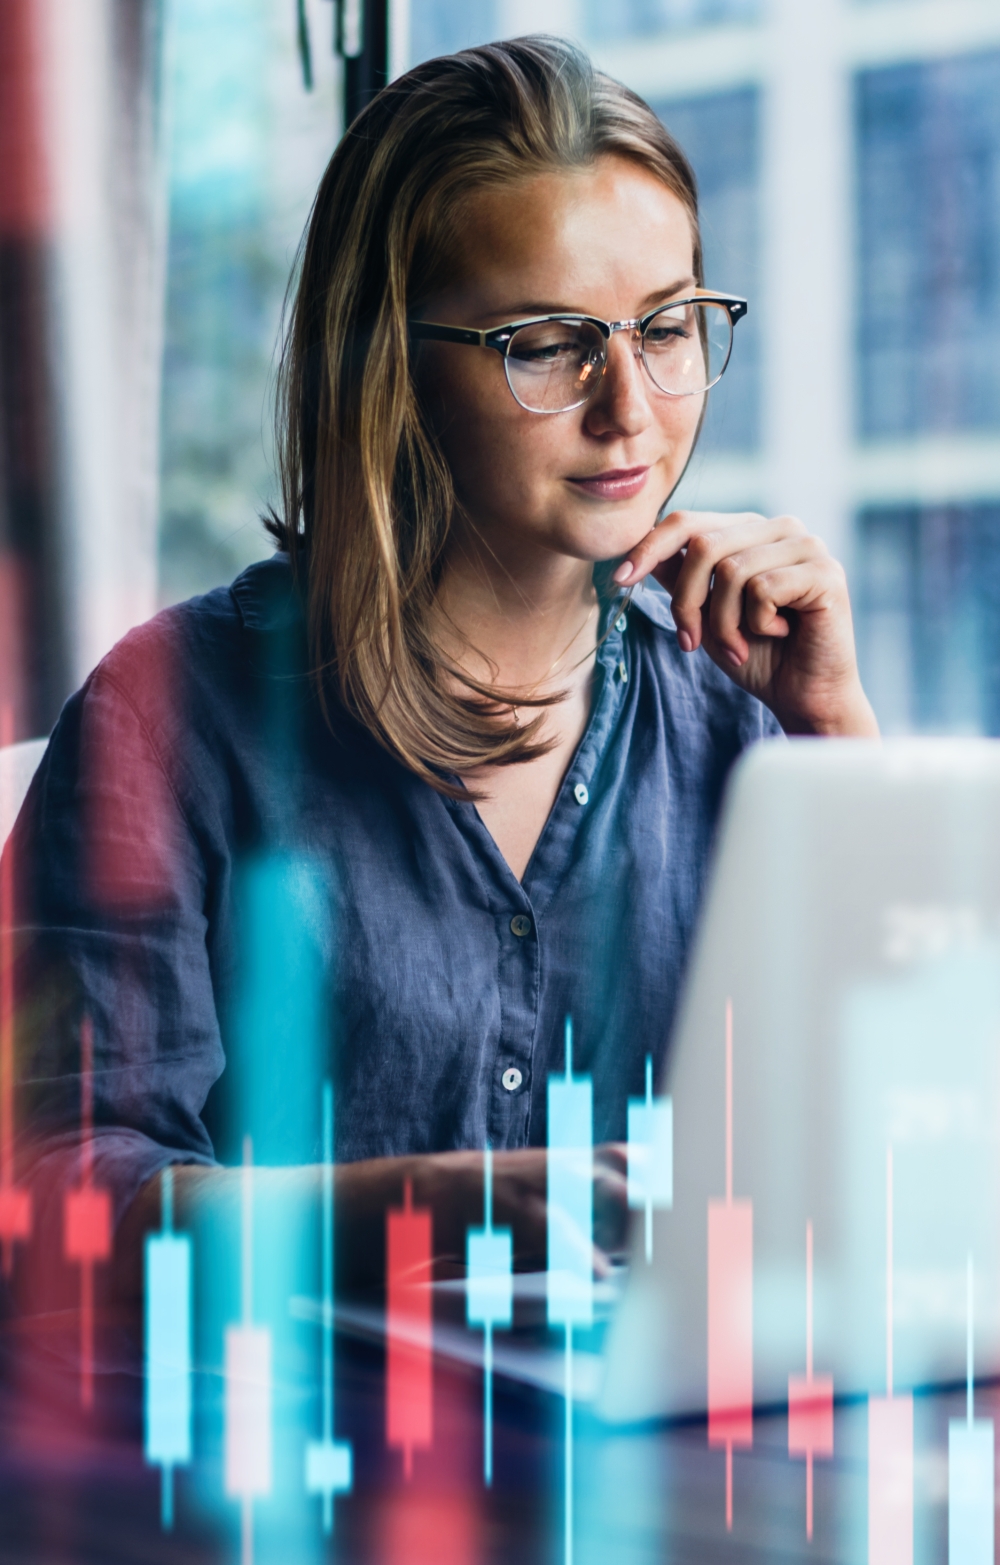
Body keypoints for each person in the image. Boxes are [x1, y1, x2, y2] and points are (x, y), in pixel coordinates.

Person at [6, 36, 877, 1304]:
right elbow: (49, 1194)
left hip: (650, 1451)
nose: (629, 404)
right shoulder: (173, 716)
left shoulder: (741, 711)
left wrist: (839, 736)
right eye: (547, 343)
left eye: (668, 327)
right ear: (388, 364)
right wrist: (412, 1212)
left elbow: (918, 1138)